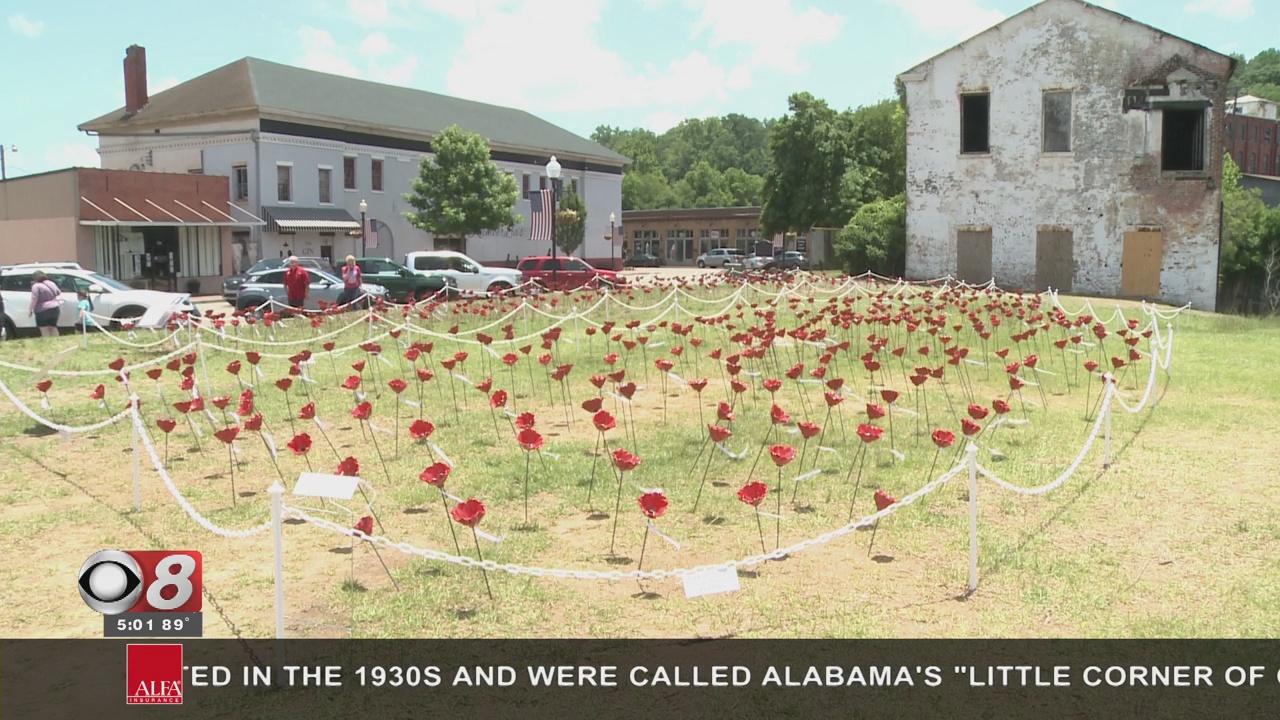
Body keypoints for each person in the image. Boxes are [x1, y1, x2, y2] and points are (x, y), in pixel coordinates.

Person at [28, 271, 62, 338]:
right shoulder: (51, 283)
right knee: (53, 327)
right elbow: (58, 293)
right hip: (54, 308)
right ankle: (56, 343)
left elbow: (34, 299)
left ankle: (47, 343)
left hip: (42, 310)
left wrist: (30, 309)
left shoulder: (36, 286)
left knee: (44, 329)